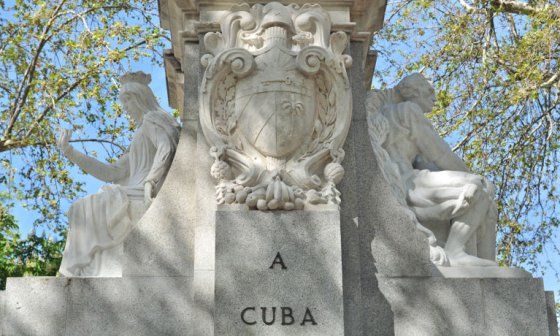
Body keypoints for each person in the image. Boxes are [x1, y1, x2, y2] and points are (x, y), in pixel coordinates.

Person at [57, 71, 180, 276]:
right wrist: (71, 153)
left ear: (139, 99)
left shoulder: (153, 119)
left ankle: (77, 269)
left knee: (87, 208)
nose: (124, 108)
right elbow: (112, 172)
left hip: (144, 189)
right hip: (133, 189)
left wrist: (152, 180)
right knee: (81, 207)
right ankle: (82, 271)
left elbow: (166, 146)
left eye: (126, 101)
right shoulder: (140, 133)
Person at [367, 73, 497, 267]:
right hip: (409, 183)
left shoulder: (389, 113)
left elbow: (426, 162)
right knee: (479, 186)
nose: (434, 98)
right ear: (414, 92)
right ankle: (456, 251)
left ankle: (468, 258)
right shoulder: (408, 111)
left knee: (480, 190)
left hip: (408, 182)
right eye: (429, 92)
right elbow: (440, 154)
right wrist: (472, 176)